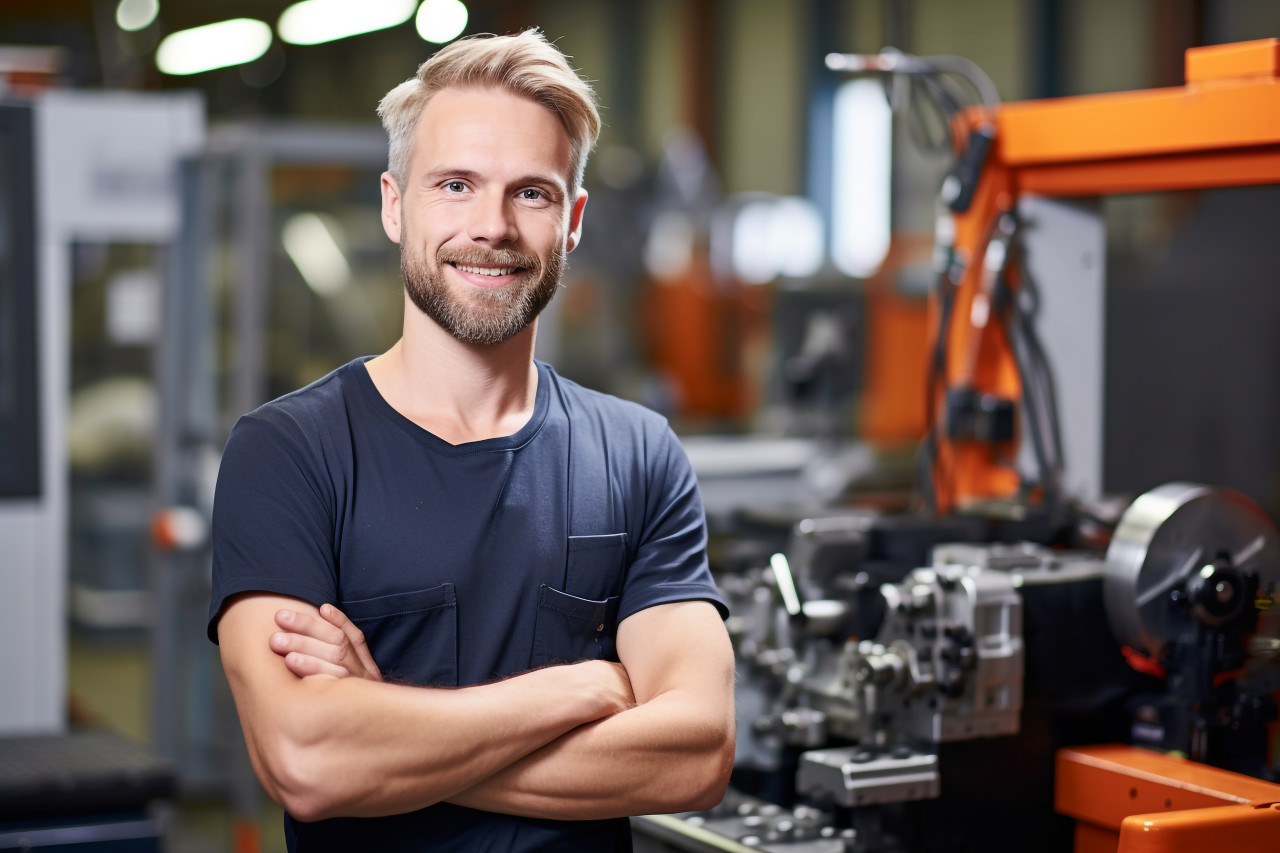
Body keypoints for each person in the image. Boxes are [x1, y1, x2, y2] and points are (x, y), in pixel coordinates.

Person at [207, 29, 736, 853]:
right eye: (455, 184)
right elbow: (308, 760)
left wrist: (387, 745)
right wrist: (584, 688)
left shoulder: (639, 455)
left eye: (532, 192)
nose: (491, 226)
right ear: (394, 203)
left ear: (574, 221)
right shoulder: (289, 453)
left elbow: (698, 751)